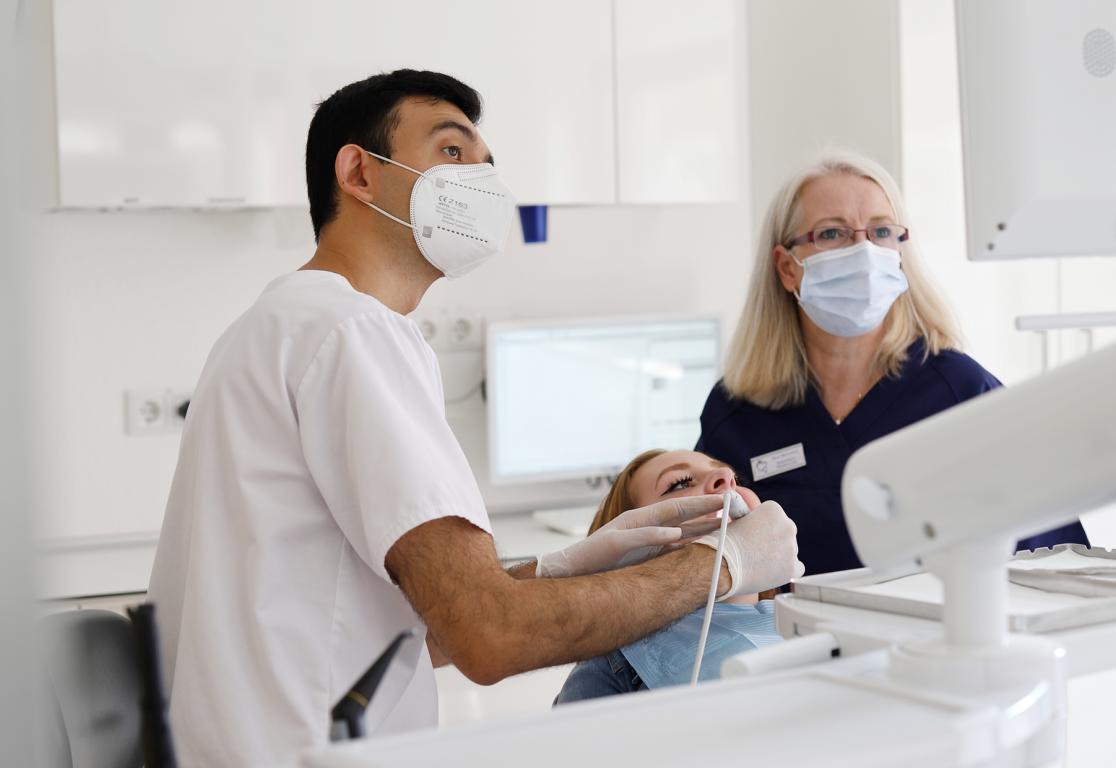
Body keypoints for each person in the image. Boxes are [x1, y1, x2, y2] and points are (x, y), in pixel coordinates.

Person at [147, 69, 804, 767]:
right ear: (359, 173)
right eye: (454, 153)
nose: (483, 183)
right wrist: (722, 564)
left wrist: (562, 568)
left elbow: (400, 630)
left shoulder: (277, 324)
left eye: (489, 166)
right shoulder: (355, 333)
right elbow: (487, 638)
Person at [696, 150, 1088, 577]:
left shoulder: (961, 393)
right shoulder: (736, 415)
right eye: (832, 233)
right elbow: (703, 571)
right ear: (787, 268)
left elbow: (1054, 564)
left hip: (937, 640)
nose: (863, 250)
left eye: (881, 231)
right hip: (792, 641)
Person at [555, 449, 787, 704]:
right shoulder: (612, 670)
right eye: (680, 483)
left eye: (735, 479)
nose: (726, 477)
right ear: (629, 550)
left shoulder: (807, 623)